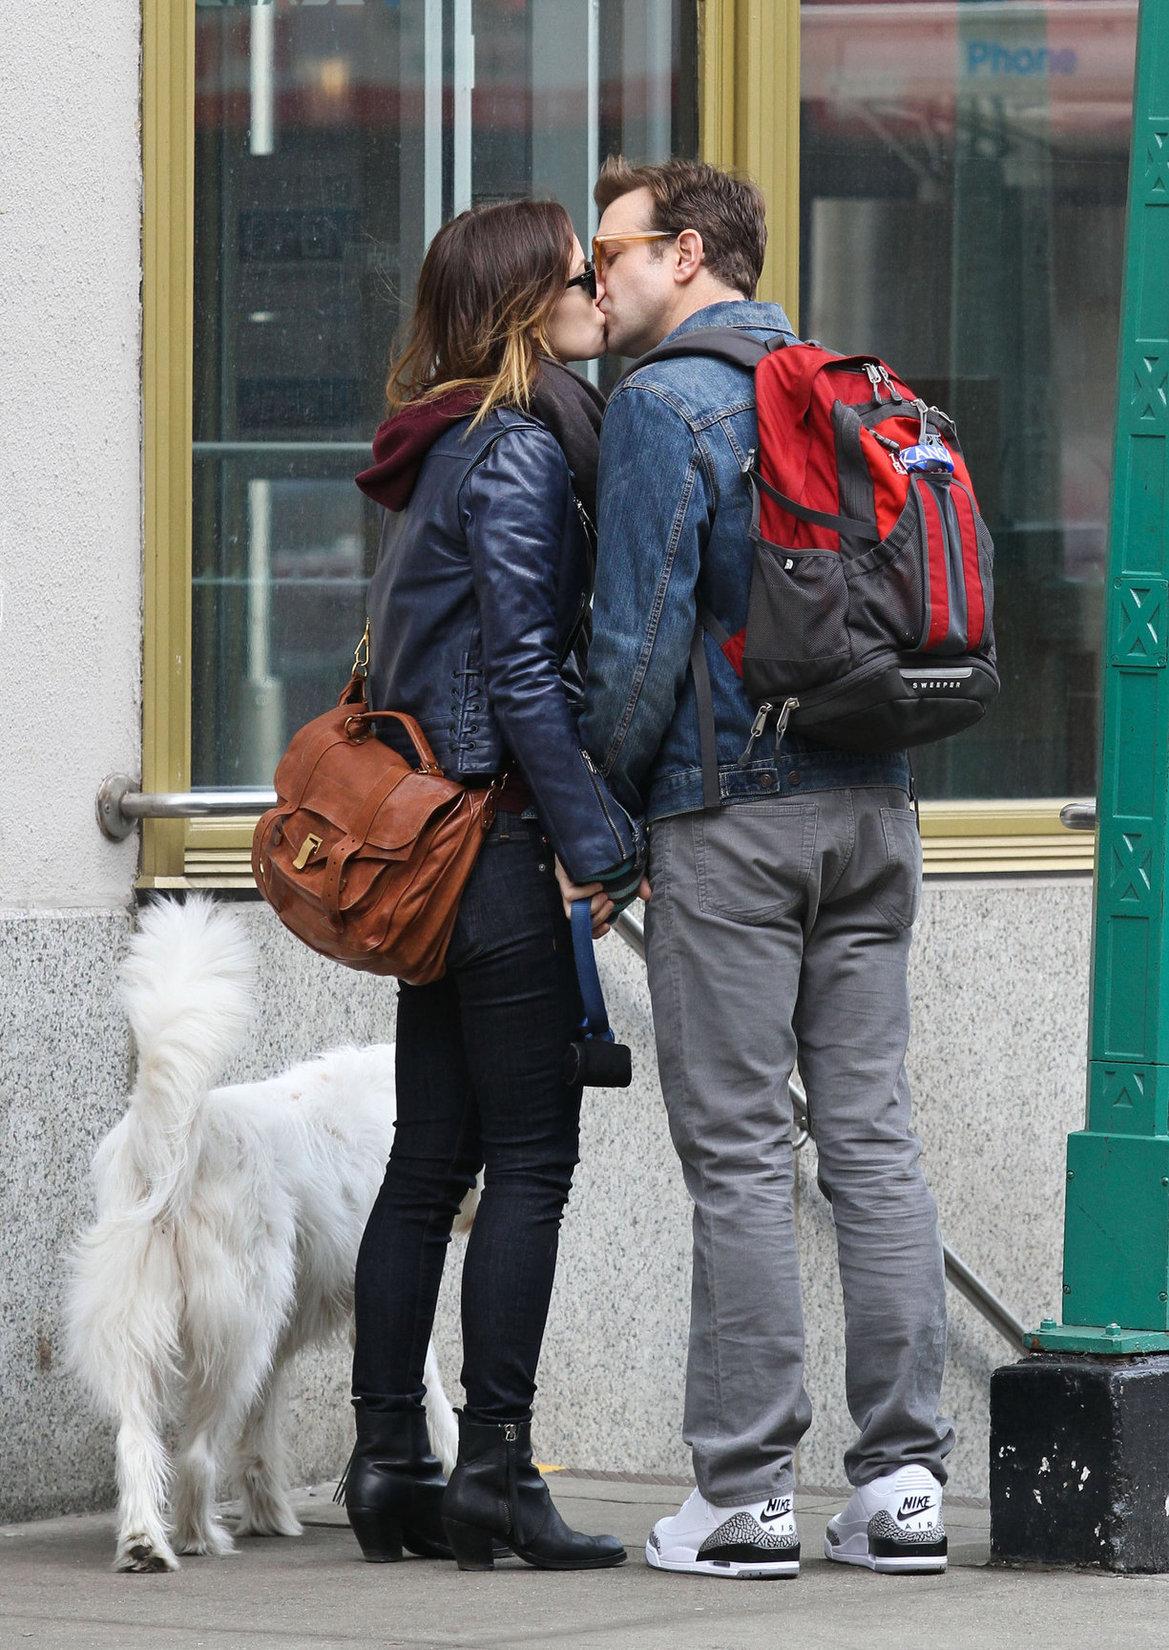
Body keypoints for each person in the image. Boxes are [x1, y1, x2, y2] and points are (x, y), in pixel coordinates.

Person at [571, 157, 954, 1579]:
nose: (594, 278)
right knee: (870, 1140)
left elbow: (633, 646)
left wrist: (603, 821)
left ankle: (741, 1493)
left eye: (609, 251)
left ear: (683, 253)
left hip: (733, 816)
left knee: (736, 1153)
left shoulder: (665, 403)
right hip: (875, 807)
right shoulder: (853, 382)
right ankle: (904, 1480)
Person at [345, 199, 641, 1573]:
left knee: (424, 1165)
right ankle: (496, 1475)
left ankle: (386, 1460)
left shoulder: (427, 453)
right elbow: (523, 669)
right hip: (497, 840)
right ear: (530, 307)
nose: (596, 291)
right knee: (528, 1159)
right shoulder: (518, 450)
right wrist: (596, 840)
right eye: (577, 276)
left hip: (425, 849)